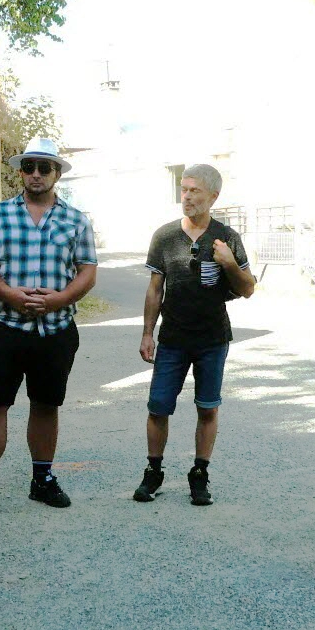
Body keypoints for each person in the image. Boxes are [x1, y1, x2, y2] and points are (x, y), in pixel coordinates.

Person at [0, 138, 97, 520]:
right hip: (4, 325)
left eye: (44, 167)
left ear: (57, 174)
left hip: (54, 329)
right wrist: (10, 296)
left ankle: (43, 480)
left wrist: (58, 300)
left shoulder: (76, 220)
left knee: (46, 405)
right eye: (29, 166)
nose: (36, 174)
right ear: (21, 172)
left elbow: (87, 271)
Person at [134, 164, 255, 506]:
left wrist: (230, 263)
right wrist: (147, 333)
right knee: (158, 407)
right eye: (184, 189)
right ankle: (153, 472)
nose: (185, 196)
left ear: (213, 196)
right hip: (172, 338)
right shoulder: (165, 236)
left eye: (194, 190)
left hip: (212, 339)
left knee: (207, 408)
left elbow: (248, 289)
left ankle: (199, 474)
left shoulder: (227, 237)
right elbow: (155, 288)